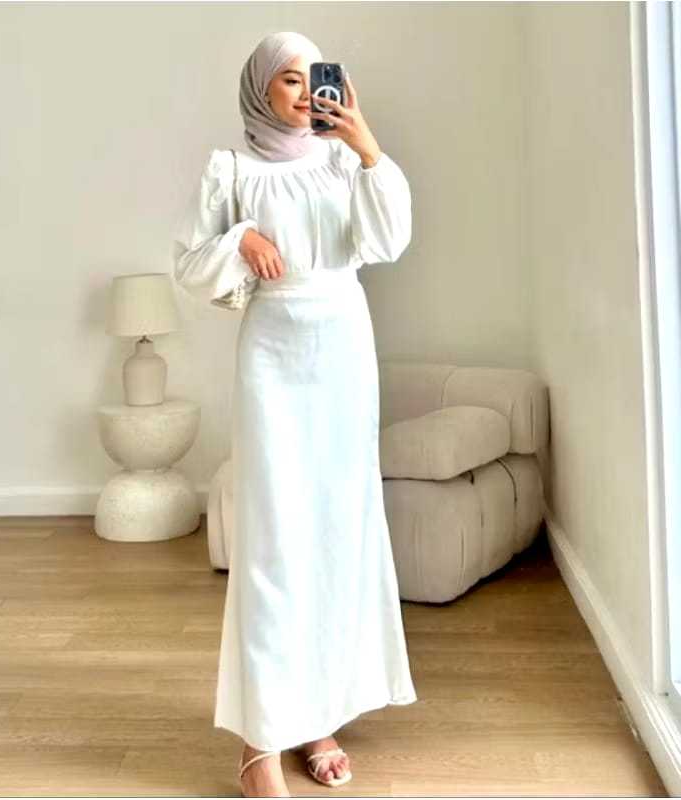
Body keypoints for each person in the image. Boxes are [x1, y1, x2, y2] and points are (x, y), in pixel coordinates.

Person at [171, 31, 418, 798]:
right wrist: (240, 239)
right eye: (288, 79)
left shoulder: (344, 160)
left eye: (316, 77)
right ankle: (259, 745)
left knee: (337, 532)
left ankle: (318, 718)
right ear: (259, 89)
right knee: (274, 544)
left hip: (343, 347)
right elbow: (189, 263)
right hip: (274, 355)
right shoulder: (231, 169)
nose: (306, 91)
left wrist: (365, 143)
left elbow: (389, 240)